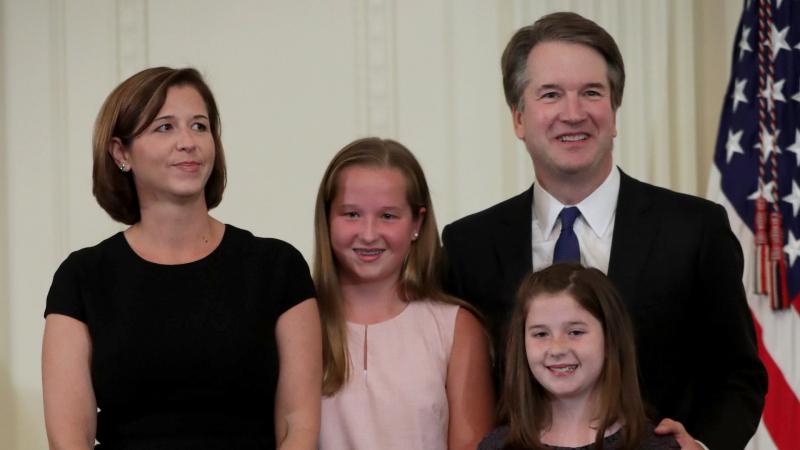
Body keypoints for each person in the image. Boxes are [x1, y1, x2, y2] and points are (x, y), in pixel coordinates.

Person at [441, 11, 767, 450]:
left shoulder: (695, 229)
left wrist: (704, 446)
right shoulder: (468, 246)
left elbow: (737, 374)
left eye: (591, 93)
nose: (573, 113)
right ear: (518, 117)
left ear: (613, 113)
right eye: (551, 94)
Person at [42, 67, 321, 449]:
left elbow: (298, 424)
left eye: (199, 126)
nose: (188, 142)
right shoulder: (82, 277)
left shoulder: (277, 266)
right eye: (165, 127)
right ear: (121, 153)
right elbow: (69, 437)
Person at [313, 137, 494, 450]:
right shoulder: (297, 321)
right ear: (327, 218)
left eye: (388, 216)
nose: (368, 234)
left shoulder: (456, 327)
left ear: (417, 223)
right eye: (352, 214)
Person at [479, 263, 679, 450]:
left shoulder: (655, 445)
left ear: (610, 340)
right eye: (541, 334)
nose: (556, 349)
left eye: (575, 332)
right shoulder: (496, 445)